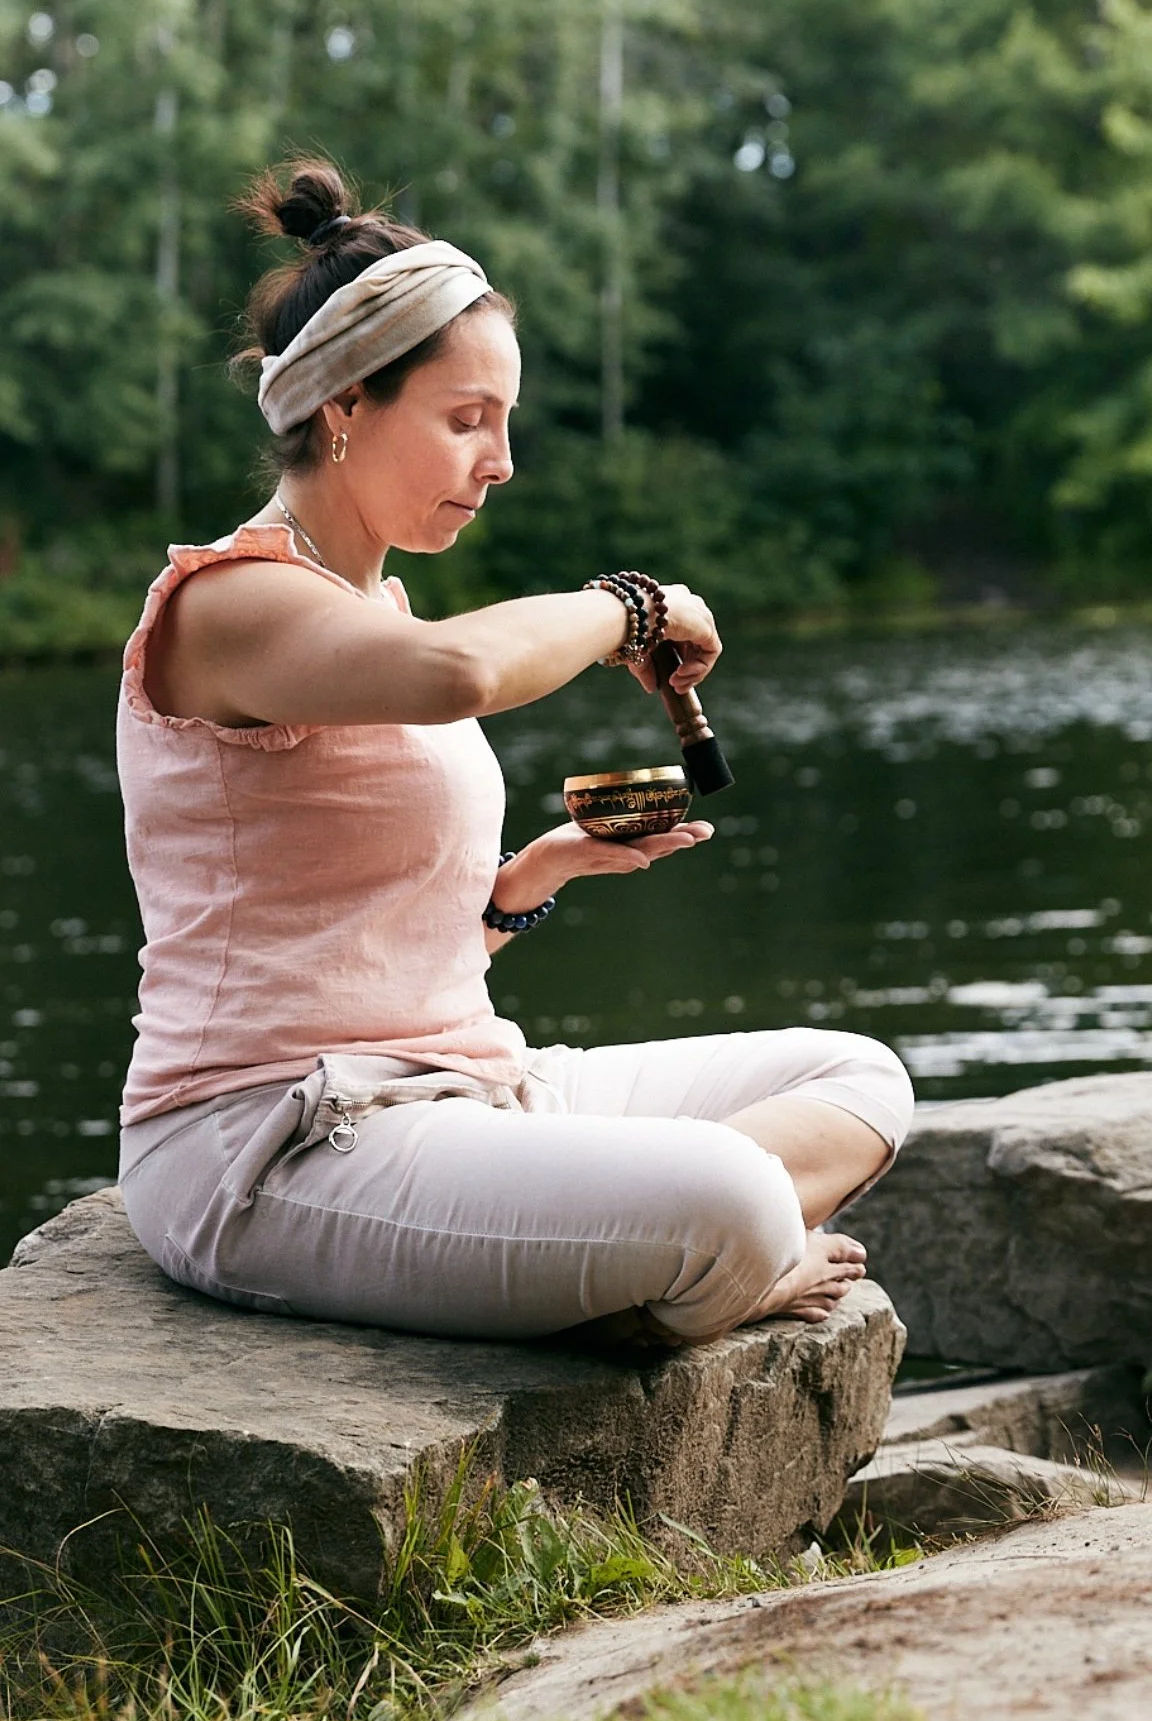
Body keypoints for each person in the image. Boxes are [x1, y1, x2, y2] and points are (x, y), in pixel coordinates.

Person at [116, 158, 913, 1349]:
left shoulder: (371, 610)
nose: (499, 460)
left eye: (505, 421)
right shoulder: (230, 603)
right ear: (343, 407)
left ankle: (615, 1260)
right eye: (465, 420)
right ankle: (672, 1260)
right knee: (737, 1193)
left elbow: (360, 946)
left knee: (861, 1077)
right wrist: (632, 606)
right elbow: (463, 676)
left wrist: (525, 882)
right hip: (266, 1141)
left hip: (467, 1083)